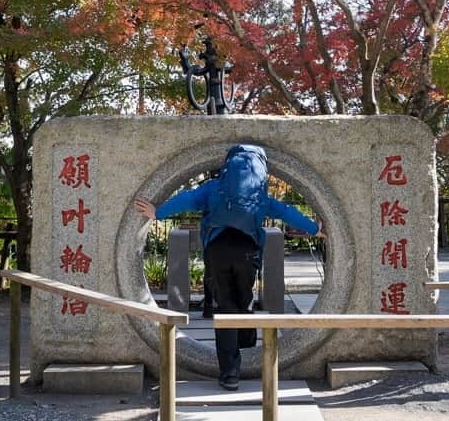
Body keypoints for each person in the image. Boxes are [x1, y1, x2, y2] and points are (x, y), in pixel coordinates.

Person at [134, 144, 324, 391]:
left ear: (228, 165)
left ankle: (230, 374)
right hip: (247, 250)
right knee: (244, 300)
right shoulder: (259, 192)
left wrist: (157, 213)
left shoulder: (215, 188)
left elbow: (188, 199)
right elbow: (288, 212)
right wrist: (314, 229)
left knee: (225, 306)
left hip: (217, 248)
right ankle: (244, 342)